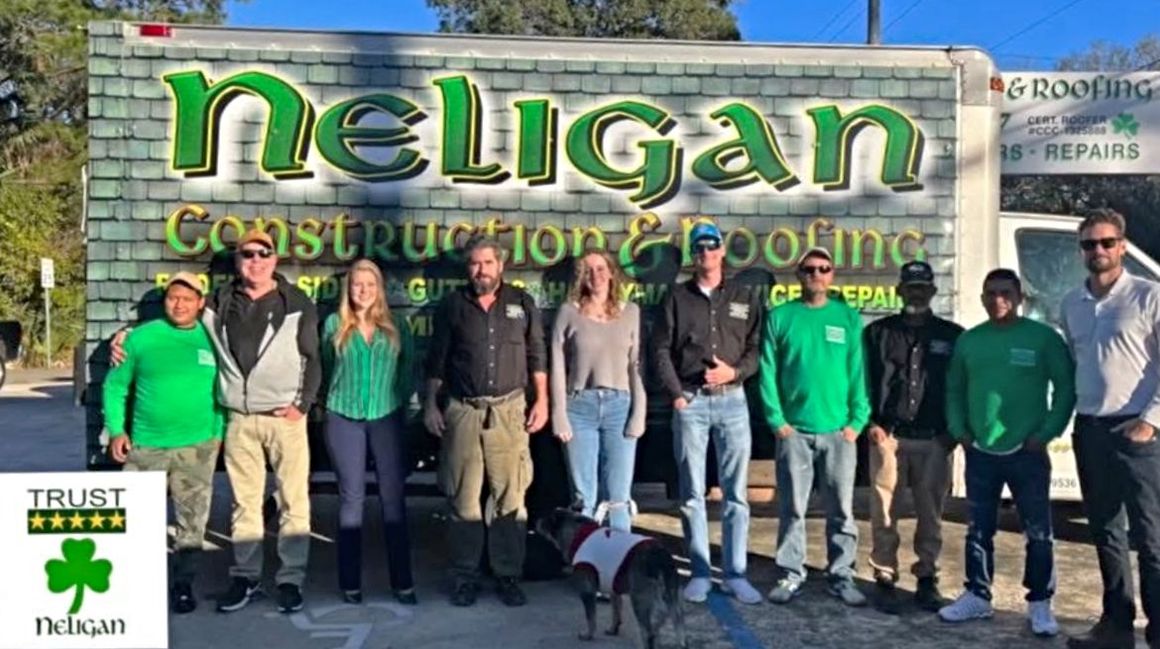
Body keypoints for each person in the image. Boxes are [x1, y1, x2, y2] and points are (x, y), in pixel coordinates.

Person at [111, 230, 321, 614]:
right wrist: (125, 335)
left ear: (275, 260)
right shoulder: (220, 303)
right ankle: (246, 577)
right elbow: (180, 321)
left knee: (294, 502)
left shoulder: (298, 303)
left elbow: (314, 357)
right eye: (247, 254)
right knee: (245, 504)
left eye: (264, 253)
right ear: (238, 261)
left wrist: (302, 405)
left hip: (285, 420)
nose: (255, 260)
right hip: (238, 419)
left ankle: (291, 580)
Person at [939, 268, 1075, 637]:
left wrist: (1046, 433)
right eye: (990, 293)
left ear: (1019, 298)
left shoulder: (1044, 339)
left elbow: (1065, 390)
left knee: (1038, 532)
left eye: (1005, 293)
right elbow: (953, 390)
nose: (997, 300)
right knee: (977, 529)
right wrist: (960, 431)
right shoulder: (970, 341)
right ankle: (978, 596)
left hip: (1027, 452)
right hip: (981, 451)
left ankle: (1040, 603)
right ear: (983, 297)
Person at [423, 237, 549, 608]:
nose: (481, 271)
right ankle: (465, 577)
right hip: (464, 410)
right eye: (475, 265)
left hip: (510, 410)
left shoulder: (521, 303)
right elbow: (437, 360)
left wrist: (542, 400)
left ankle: (508, 575)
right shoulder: (452, 306)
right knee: (464, 497)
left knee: (510, 497)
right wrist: (431, 405)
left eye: (487, 263)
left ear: (501, 265)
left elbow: (536, 355)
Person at [1061, 209, 1160, 649]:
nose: (1097, 251)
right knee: (1105, 529)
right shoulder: (1071, 303)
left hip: (1138, 430)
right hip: (1091, 429)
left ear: (1122, 245)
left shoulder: (1149, 296)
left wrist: (1151, 420)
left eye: (1106, 242)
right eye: (1089, 244)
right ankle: (1116, 626)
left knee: (1151, 536)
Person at [653, 220, 764, 606]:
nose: (706, 253)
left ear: (721, 251)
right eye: (699, 248)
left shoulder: (743, 296)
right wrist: (677, 395)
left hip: (733, 400)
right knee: (692, 493)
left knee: (736, 494)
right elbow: (661, 350)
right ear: (693, 255)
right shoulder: (676, 297)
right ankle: (700, 572)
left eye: (712, 246)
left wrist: (735, 372)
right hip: (692, 402)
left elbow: (755, 348)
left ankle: (735, 573)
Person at [103, 272, 222, 614]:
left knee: (192, 522)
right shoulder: (140, 339)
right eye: (173, 297)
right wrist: (116, 430)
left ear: (200, 303)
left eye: (188, 298)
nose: (179, 304)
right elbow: (115, 387)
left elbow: (224, 389)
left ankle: (183, 585)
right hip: (146, 446)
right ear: (164, 301)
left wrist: (218, 433)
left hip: (197, 447)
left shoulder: (213, 339)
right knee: (136, 518)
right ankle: (135, 584)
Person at [759, 246, 871, 607]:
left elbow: (858, 373)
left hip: (840, 433)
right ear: (799, 275)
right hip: (795, 433)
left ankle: (841, 575)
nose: (817, 275)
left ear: (832, 274)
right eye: (809, 269)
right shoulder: (781, 317)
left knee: (841, 509)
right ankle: (791, 573)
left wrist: (856, 423)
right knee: (793, 508)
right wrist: (778, 422)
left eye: (824, 268)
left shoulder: (848, 318)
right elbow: (767, 373)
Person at [863, 260, 963, 613]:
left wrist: (954, 432)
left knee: (930, 513)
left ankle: (926, 577)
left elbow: (961, 386)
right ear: (898, 290)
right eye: (910, 286)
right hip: (888, 436)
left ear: (933, 291)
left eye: (922, 287)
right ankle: (885, 576)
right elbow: (862, 381)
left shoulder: (953, 335)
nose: (916, 292)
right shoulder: (877, 333)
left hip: (935, 439)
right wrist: (869, 423)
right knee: (884, 512)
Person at [321, 259, 416, 605]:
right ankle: (351, 584)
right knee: (352, 500)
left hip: (385, 416)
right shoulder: (334, 324)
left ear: (379, 290)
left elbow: (408, 371)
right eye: (357, 285)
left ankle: (402, 583)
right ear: (349, 289)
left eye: (370, 285)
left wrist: (399, 403)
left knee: (393, 499)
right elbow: (327, 367)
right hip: (343, 417)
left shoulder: (397, 326)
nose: (363, 291)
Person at [550, 250, 646, 532]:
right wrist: (559, 413)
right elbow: (557, 364)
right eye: (588, 270)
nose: (596, 276)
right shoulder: (568, 312)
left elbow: (637, 364)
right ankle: (584, 562)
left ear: (612, 273)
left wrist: (639, 412)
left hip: (620, 406)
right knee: (584, 497)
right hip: (579, 407)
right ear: (581, 277)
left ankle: (621, 564)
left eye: (601, 268)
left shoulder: (631, 313)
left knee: (618, 496)